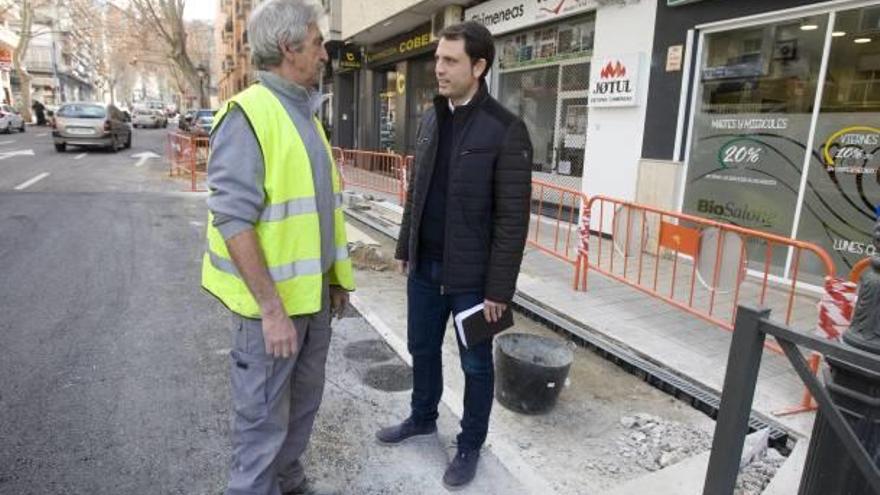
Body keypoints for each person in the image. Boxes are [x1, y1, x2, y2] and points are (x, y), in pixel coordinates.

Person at [201, 1, 354, 494]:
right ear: (289, 49)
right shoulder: (248, 116)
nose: (325, 53)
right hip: (273, 316)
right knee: (261, 431)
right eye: (316, 43)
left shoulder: (305, 115)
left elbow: (319, 212)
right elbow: (233, 219)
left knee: (301, 412)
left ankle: (288, 480)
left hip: (311, 307)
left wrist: (334, 279)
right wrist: (271, 310)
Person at [375, 21, 533, 490]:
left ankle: (469, 445)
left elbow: (512, 220)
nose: (438, 69)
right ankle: (423, 416)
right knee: (421, 348)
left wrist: (498, 290)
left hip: (473, 279)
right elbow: (416, 192)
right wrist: (405, 247)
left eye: (450, 61)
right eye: (438, 59)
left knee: (476, 365)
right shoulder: (431, 117)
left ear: (479, 67)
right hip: (425, 267)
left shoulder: (506, 129)